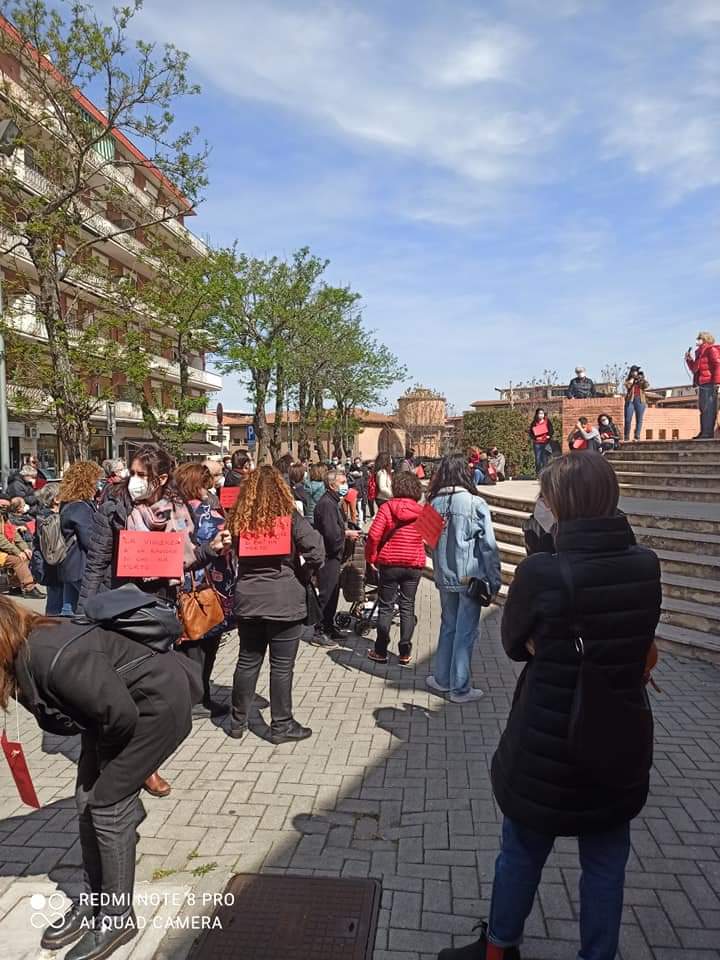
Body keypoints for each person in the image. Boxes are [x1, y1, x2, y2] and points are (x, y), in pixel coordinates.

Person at [438, 453, 661, 960]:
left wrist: (543, 562)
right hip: (617, 734)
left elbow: (516, 643)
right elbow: (635, 638)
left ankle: (499, 948)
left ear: (560, 504)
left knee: (521, 851)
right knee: (606, 861)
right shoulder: (645, 564)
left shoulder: (544, 571)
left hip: (548, 739)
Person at [2, 595, 201, 960]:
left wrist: (112, 767)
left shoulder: (50, 657)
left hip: (155, 710)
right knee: (85, 802)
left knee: (107, 806)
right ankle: (95, 900)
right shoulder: (28, 648)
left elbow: (121, 717)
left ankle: (118, 916)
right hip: (114, 711)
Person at [79, 444, 230, 799]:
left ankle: (144, 759)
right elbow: (97, 562)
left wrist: (211, 551)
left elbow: (185, 561)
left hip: (161, 612)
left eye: (143, 475)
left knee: (160, 692)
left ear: (161, 478)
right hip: (122, 610)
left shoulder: (177, 510)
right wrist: (83, 613)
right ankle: (127, 762)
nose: (134, 481)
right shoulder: (115, 504)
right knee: (120, 690)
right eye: (133, 473)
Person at [226, 465, 324, 743]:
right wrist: (303, 572)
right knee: (281, 666)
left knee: (247, 661)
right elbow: (317, 550)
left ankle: (237, 722)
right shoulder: (290, 518)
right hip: (284, 600)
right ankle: (281, 725)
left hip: (248, 599)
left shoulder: (239, 521)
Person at [425, 455, 501, 704]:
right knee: (465, 631)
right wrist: (494, 578)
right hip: (470, 575)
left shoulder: (432, 503)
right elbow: (488, 546)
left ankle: (442, 678)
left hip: (444, 574)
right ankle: (460, 687)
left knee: (448, 625)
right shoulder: (475, 503)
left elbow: (428, 542)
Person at [173, 462, 235, 720]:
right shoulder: (201, 511)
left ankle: (198, 695)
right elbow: (215, 541)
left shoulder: (174, 508)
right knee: (201, 644)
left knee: (193, 645)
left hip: (192, 585)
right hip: (203, 586)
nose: (210, 486)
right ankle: (198, 699)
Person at [365, 471, 426, 665]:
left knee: (386, 606)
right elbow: (433, 537)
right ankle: (405, 651)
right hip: (414, 563)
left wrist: (372, 557)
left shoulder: (387, 508)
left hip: (390, 562)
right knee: (408, 606)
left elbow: (374, 535)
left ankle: (381, 650)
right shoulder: (423, 510)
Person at [313, 469, 361, 647]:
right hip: (327, 555)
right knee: (326, 594)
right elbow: (331, 533)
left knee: (333, 593)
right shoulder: (326, 504)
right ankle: (320, 630)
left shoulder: (333, 502)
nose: (345, 485)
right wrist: (346, 534)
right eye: (342, 482)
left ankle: (329, 626)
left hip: (333, 555)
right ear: (332, 484)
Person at [58, 461, 103, 615]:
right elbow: (89, 540)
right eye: (96, 480)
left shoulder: (68, 503)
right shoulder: (80, 507)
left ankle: (62, 636)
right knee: (88, 608)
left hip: (69, 563)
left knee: (68, 607)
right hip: (80, 564)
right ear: (86, 481)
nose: (98, 485)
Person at [30, 482, 64, 615]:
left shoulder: (42, 515)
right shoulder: (51, 519)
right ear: (56, 499)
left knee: (54, 597)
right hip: (52, 565)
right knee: (55, 601)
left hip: (47, 564)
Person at [0, 499, 44, 599]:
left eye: (6, 506)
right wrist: (17, 551)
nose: (4, 509)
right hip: (2, 551)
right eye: (2, 506)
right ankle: (29, 588)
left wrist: (24, 549)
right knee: (17, 560)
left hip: (3, 550)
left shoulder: (5, 518)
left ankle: (15, 587)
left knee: (26, 555)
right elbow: (1, 540)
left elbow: (14, 535)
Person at [685, 332, 720, 440]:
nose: (697, 340)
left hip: (710, 383)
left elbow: (718, 364)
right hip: (703, 384)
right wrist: (689, 360)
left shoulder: (711, 350)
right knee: (703, 409)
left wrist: (717, 382)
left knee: (709, 408)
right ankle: (704, 432)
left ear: (705, 339)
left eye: (699, 338)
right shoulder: (699, 353)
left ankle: (708, 433)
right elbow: (695, 369)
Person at [623, 365, 649, 442]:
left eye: (636, 371)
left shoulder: (641, 379)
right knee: (627, 419)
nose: (635, 373)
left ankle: (637, 436)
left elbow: (646, 386)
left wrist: (642, 380)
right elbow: (627, 386)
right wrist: (632, 380)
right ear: (631, 372)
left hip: (640, 400)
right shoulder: (629, 380)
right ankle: (626, 436)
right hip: (630, 400)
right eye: (634, 371)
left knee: (639, 419)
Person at [528, 408, 553, 475]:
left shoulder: (547, 421)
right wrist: (535, 438)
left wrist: (549, 436)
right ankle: (539, 473)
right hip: (537, 444)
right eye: (539, 413)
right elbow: (530, 433)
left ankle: (545, 474)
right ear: (537, 414)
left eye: (542, 413)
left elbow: (551, 430)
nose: (541, 415)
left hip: (546, 443)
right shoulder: (534, 423)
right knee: (538, 460)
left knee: (545, 459)